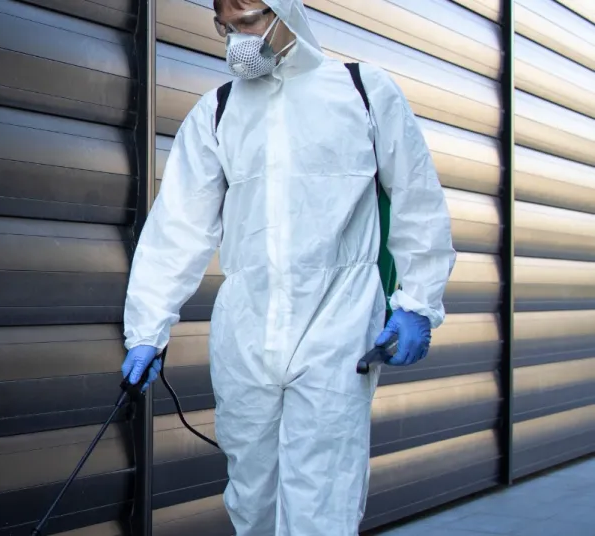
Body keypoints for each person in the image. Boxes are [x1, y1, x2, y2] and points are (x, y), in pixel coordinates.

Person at [119, 0, 456, 534]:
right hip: (247, 331)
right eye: (226, 29)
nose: (237, 43)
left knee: (321, 497)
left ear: (287, 13)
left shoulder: (362, 92)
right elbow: (178, 226)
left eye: (248, 23)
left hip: (336, 325)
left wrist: (416, 302)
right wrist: (147, 327)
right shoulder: (219, 110)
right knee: (252, 496)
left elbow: (416, 199)